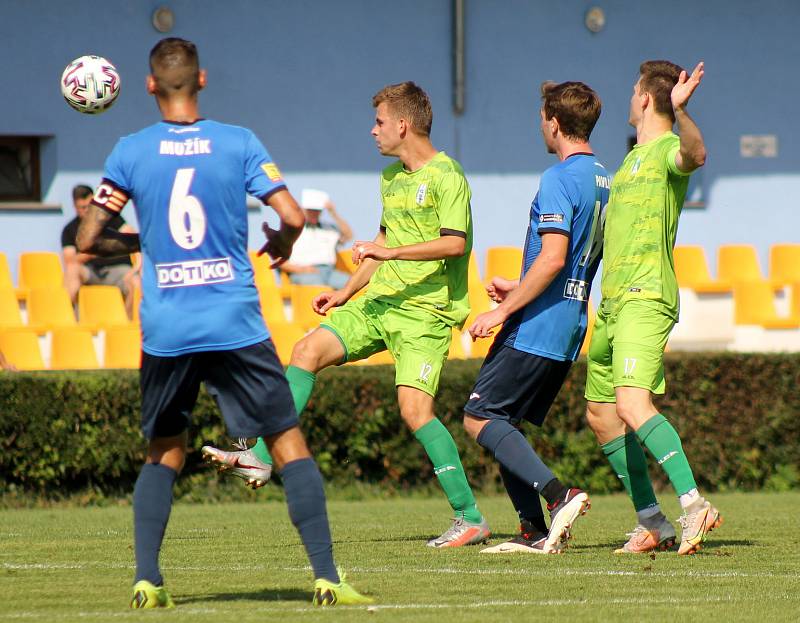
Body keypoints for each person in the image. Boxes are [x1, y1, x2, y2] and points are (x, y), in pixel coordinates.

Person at [76, 37, 370, 608]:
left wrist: (144, 236)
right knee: (288, 442)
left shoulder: (130, 151)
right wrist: (281, 243)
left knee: (165, 451)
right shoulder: (237, 142)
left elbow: (88, 239)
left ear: (149, 86)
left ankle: (148, 581)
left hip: (168, 327)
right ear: (202, 80)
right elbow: (288, 216)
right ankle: (328, 578)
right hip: (234, 320)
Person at [203, 81, 491, 548]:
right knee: (306, 349)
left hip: (427, 311)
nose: (372, 131)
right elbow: (379, 251)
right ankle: (259, 454)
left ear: (403, 124)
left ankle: (470, 516)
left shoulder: (447, 175)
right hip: (379, 303)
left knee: (415, 412)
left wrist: (389, 253)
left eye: (379, 122)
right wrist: (344, 293)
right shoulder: (391, 178)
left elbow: (454, 243)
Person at [461, 81, 609, 554]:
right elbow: (565, 262)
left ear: (555, 122)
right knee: (506, 421)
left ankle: (558, 494)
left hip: (537, 324)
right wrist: (517, 285)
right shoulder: (605, 177)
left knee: (479, 416)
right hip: (569, 321)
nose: (540, 125)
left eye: (541, 117)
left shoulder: (558, 178)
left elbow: (552, 256)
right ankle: (532, 530)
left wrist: (503, 308)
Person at [584, 60, 721, 555]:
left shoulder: (666, 149)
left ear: (644, 99)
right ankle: (652, 522)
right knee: (602, 413)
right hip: (613, 303)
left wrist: (682, 113)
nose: (629, 96)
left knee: (632, 405)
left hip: (646, 296)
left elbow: (696, 154)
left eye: (632, 89)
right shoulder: (627, 164)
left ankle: (693, 505)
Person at [62, 184, 140, 315]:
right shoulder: (69, 230)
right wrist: (91, 250)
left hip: (118, 269)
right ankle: (69, 320)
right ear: (75, 207)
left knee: (136, 282)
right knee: (72, 270)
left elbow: (133, 240)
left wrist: (136, 268)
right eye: (82, 207)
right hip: (91, 272)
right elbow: (69, 260)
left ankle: (127, 325)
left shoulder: (113, 220)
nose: (87, 210)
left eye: (90, 206)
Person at [280, 189, 353, 289]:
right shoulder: (292, 229)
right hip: (304, 272)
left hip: (330, 272)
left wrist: (333, 213)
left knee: (353, 285)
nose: (314, 213)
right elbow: (278, 260)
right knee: (318, 287)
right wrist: (302, 269)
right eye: (311, 210)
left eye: (317, 211)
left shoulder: (330, 229)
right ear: (304, 209)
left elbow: (348, 235)